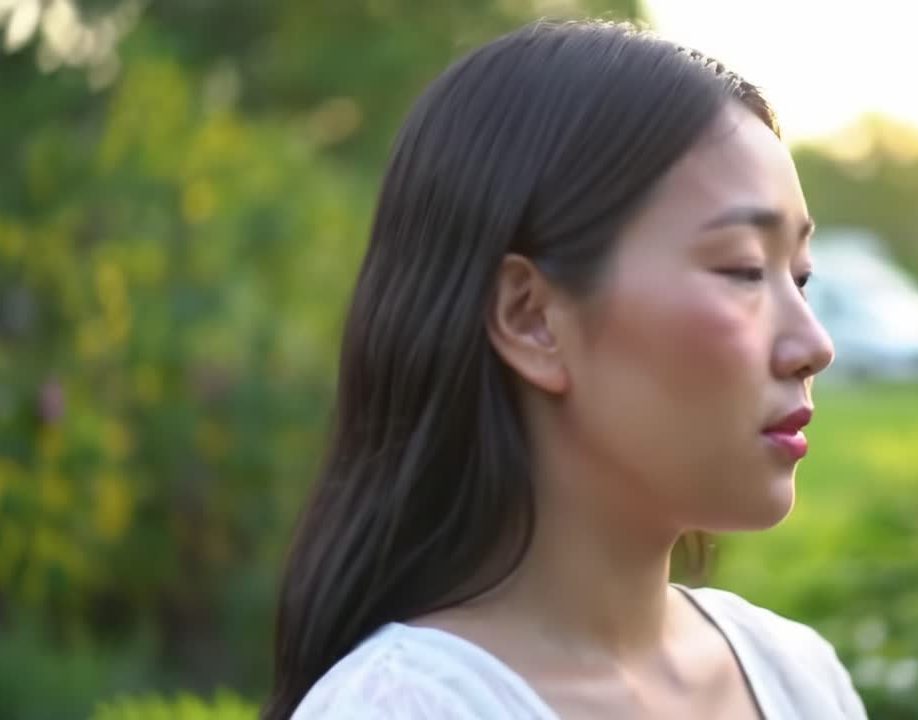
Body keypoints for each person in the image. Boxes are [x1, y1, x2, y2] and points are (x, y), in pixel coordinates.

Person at [265, 17, 865, 720]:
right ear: (532, 319)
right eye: (742, 270)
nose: (814, 344)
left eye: (801, 277)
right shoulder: (405, 707)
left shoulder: (796, 678)